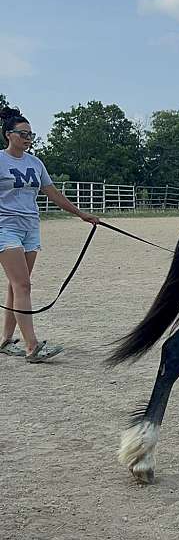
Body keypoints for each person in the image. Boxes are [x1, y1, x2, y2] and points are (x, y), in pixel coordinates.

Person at [0, 105, 99, 363]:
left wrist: (81, 213)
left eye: (31, 134)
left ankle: (6, 340)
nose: (28, 139)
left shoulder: (36, 163)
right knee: (23, 284)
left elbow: (52, 193)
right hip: (5, 228)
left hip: (30, 229)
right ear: (9, 134)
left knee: (16, 284)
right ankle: (32, 347)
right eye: (23, 134)